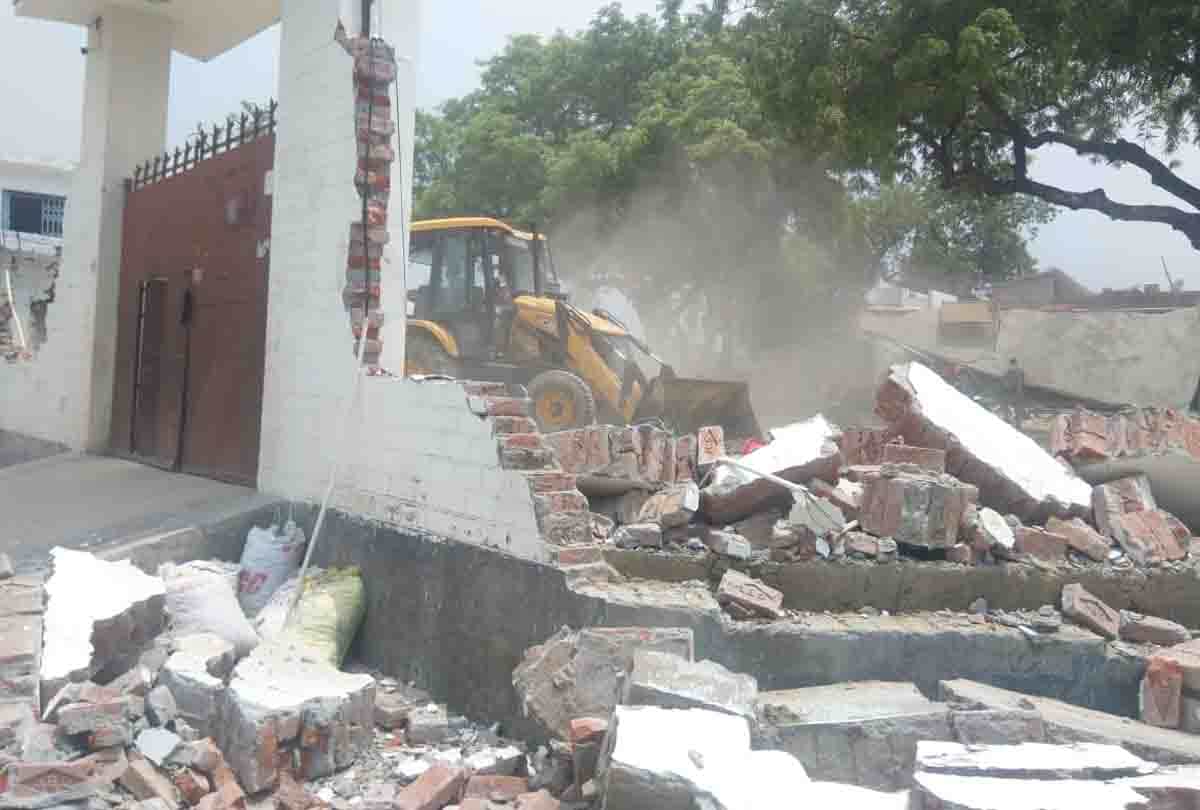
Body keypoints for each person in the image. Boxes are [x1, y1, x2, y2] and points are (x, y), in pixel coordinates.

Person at [1004, 357, 1026, 427]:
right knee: (1016, 409)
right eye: (1013, 364)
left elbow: (1019, 383)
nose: (1013, 366)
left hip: (1014, 393)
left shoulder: (1011, 373)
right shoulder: (1015, 372)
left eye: (1013, 364)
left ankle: (1014, 422)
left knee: (1017, 409)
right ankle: (1014, 422)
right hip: (1013, 393)